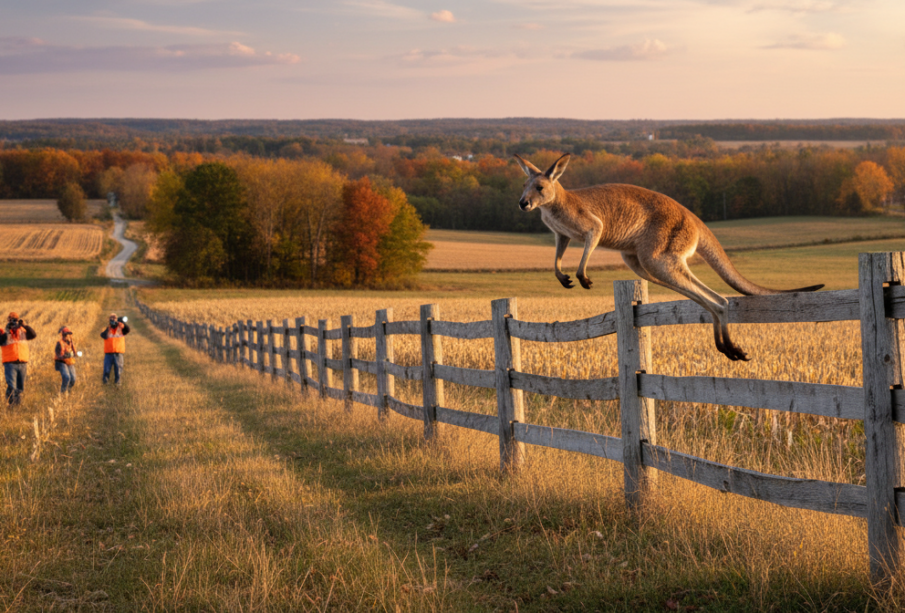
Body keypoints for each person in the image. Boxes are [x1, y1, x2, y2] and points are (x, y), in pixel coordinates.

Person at [1, 311, 37, 406]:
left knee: (20, 388)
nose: (13, 322)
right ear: (8, 320)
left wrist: (24, 325)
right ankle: (10, 405)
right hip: (10, 363)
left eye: (15, 319)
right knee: (12, 386)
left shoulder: (23, 331)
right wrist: (8, 330)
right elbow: (1, 340)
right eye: (11, 319)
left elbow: (33, 335)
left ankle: (16, 407)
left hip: (22, 362)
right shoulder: (4, 332)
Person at [100, 313, 129, 386]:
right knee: (106, 370)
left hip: (118, 353)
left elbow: (127, 330)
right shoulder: (107, 329)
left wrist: (122, 324)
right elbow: (102, 335)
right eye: (111, 319)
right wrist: (109, 327)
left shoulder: (121, 328)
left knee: (118, 370)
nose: (113, 320)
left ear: (117, 320)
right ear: (109, 320)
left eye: (114, 319)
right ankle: (105, 383)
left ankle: (117, 384)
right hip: (108, 353)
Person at [54, 326, 78, 394]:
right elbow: (58, 354)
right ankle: (63, 393)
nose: (68, 336)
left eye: (69, 334)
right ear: (63, 335)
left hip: (69, 361)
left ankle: (68, 390)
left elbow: (74, 352)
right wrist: (65, 356)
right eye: (66, 335)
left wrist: (75, 354)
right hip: (61, 362)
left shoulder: (71, 342)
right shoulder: (59, 343)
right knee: (66, 377)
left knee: (73, 379)